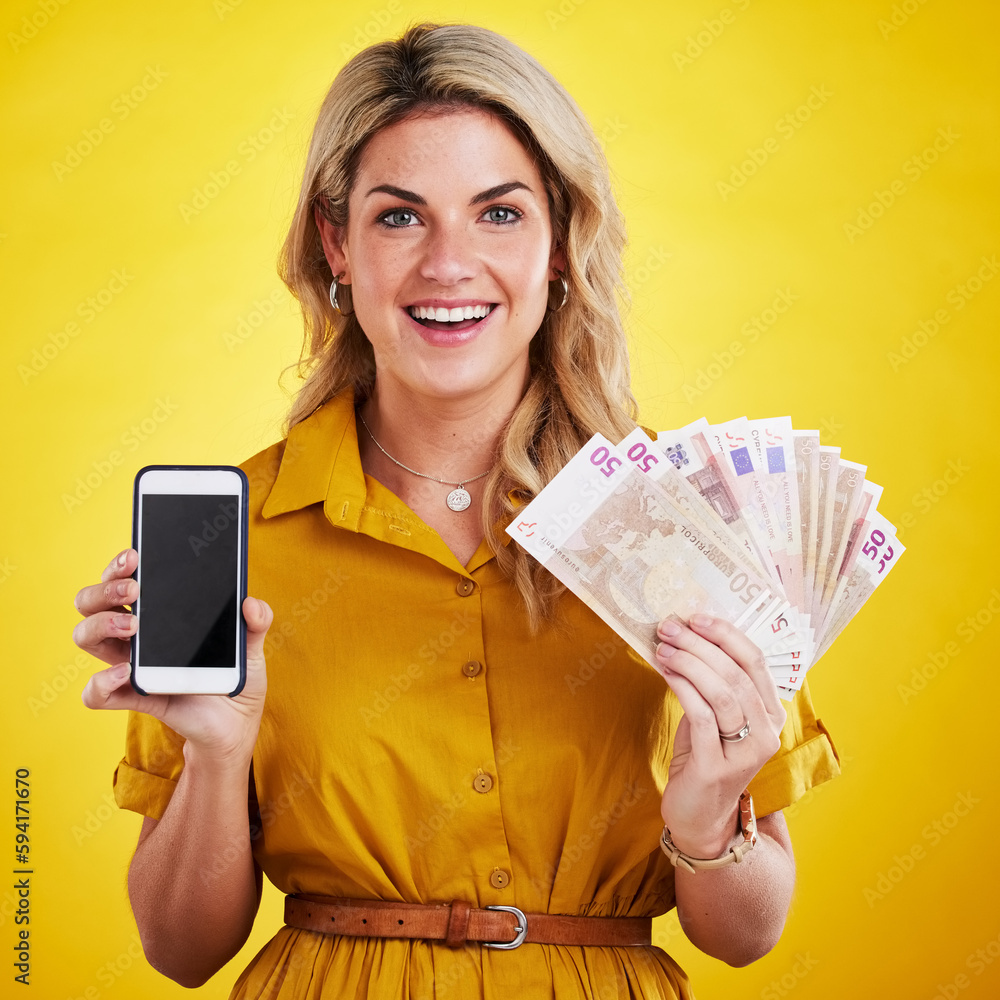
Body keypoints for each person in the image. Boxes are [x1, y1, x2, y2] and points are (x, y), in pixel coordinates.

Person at [72, 23, 839, 999]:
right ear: (335, 244)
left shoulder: (693, 524)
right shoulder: (229, 538)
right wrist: (218, 756)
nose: (448, 263)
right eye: (399, 217)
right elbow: (180, 951)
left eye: (499, 214)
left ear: (560, 241)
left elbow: (745, 936)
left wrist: (706, 812)